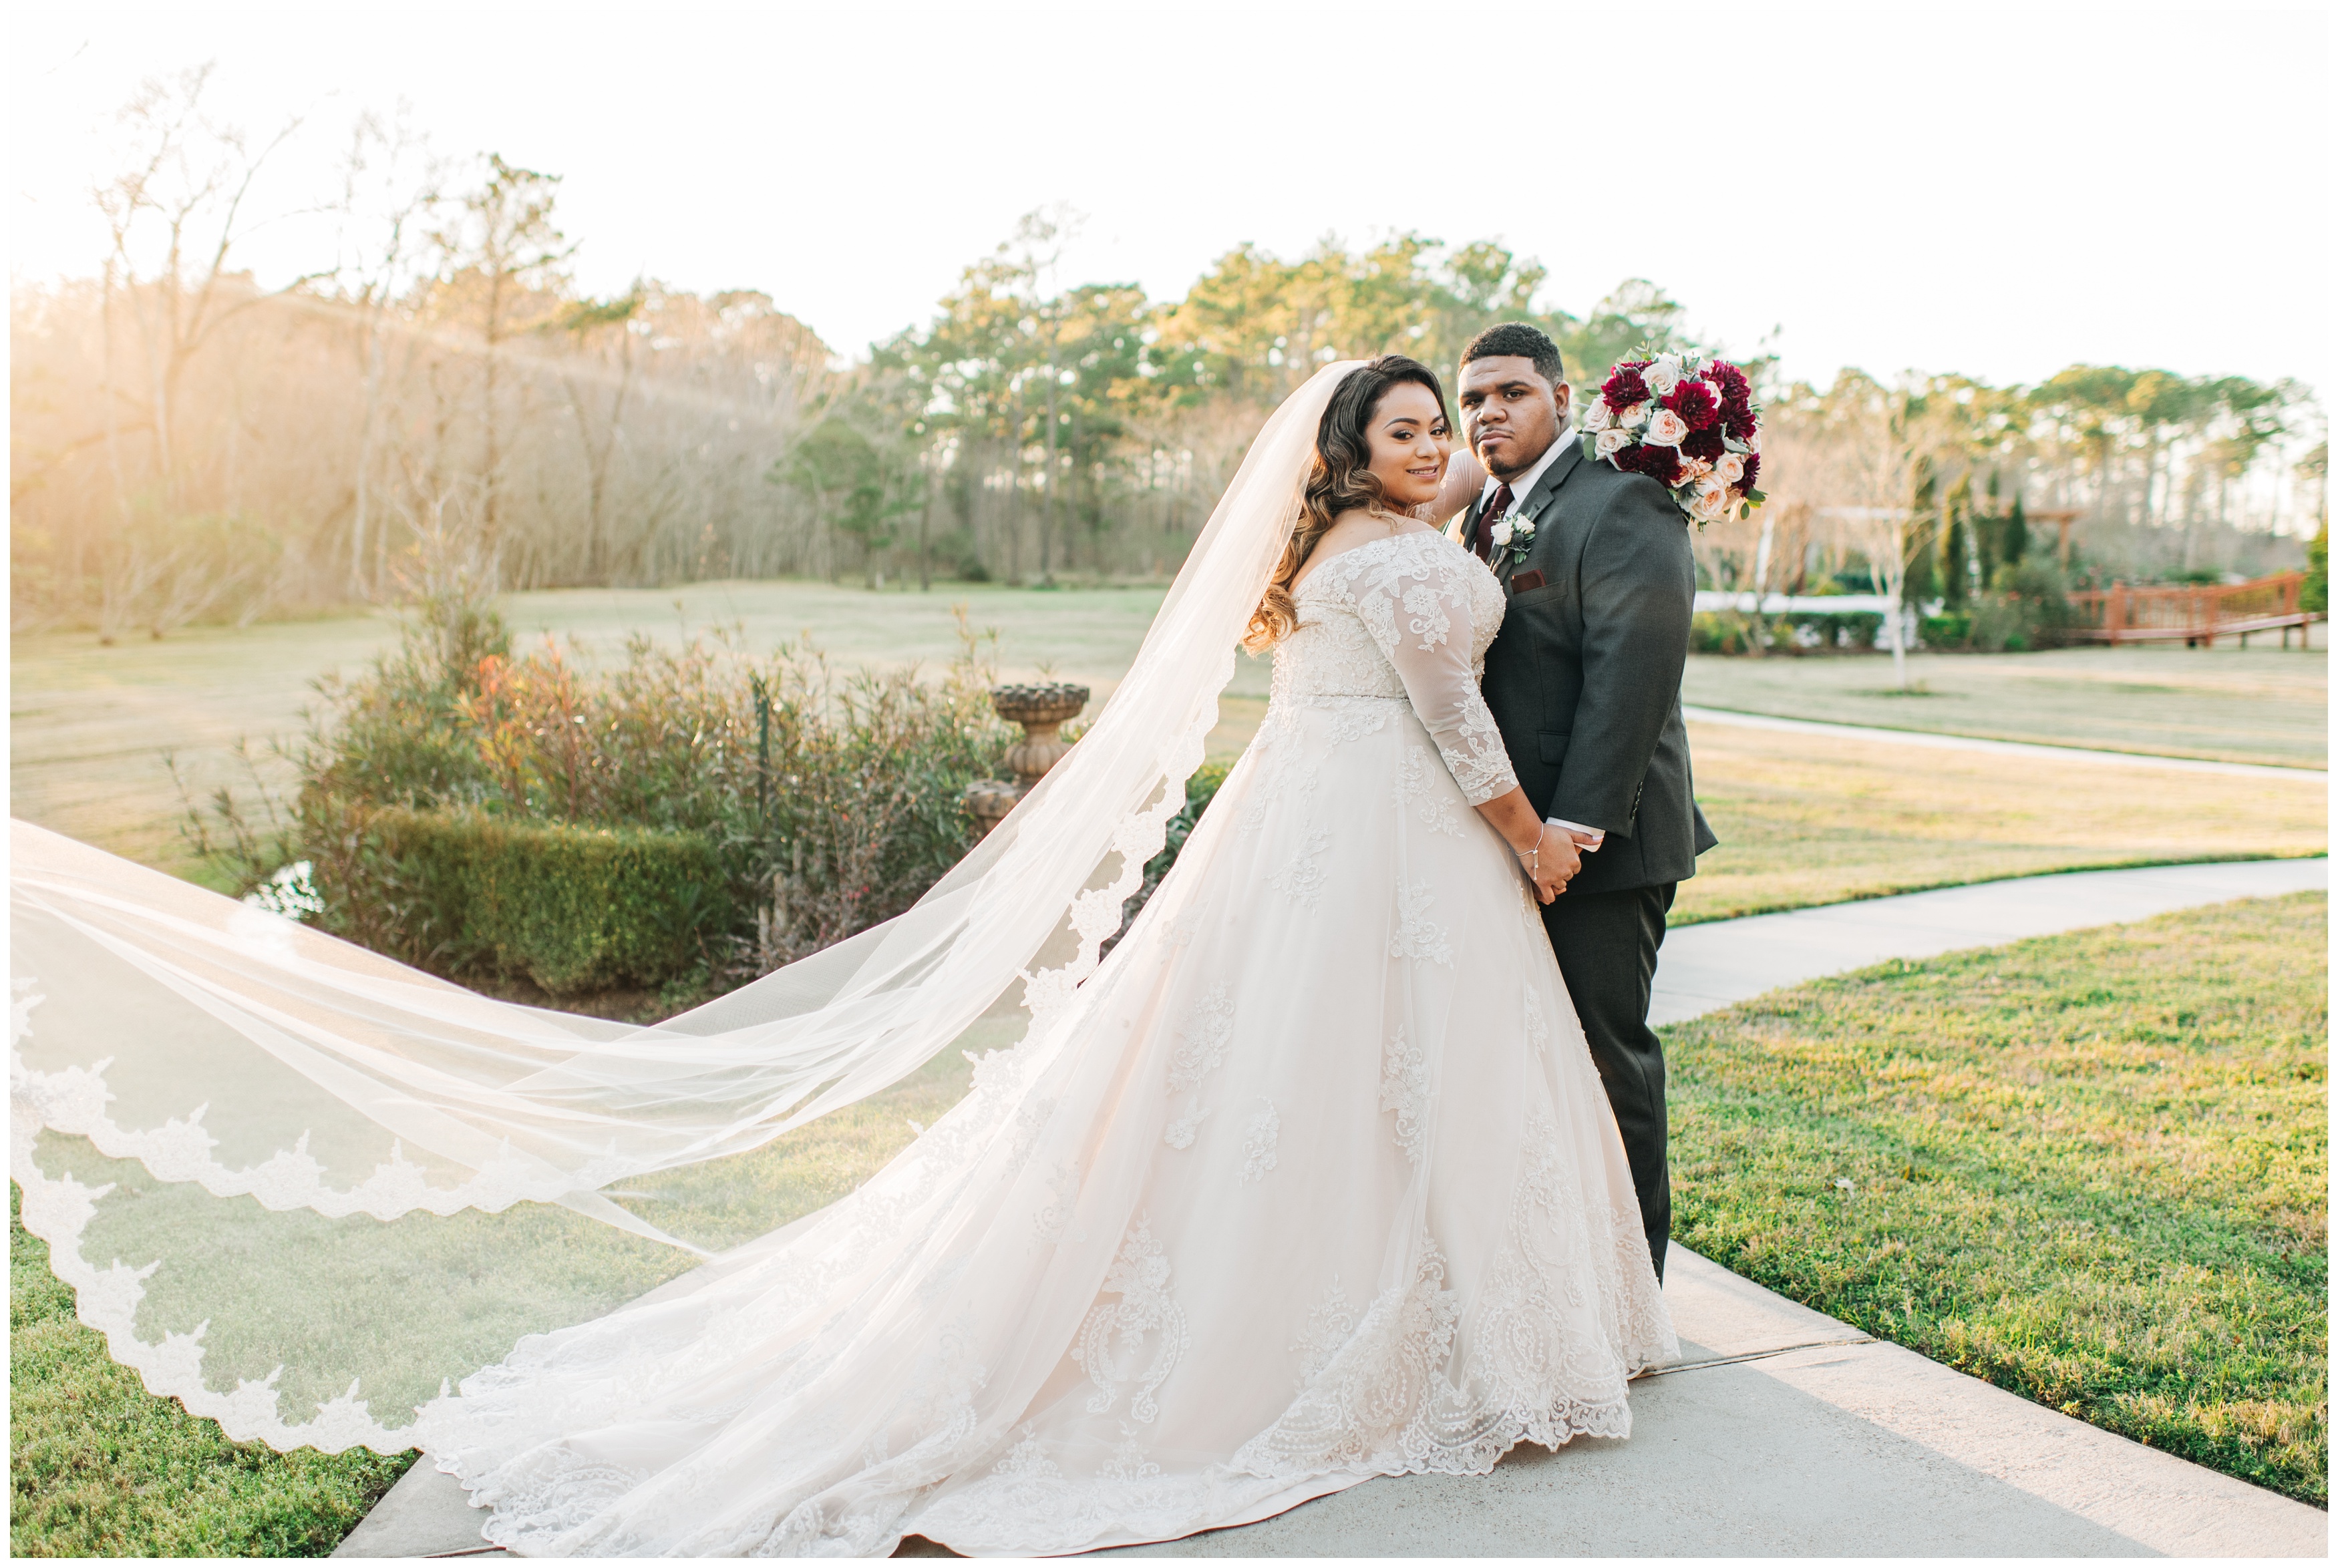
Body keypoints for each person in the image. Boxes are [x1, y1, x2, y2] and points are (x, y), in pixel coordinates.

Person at [9, 357, 1673, 1558]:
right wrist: (1528, 835)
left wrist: (1470, 489)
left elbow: (1435, 577)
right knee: (1371, 1080)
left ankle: (1412, 1315)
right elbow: (1455, 712)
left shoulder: (1331, 550)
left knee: (1285, 1079)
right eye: (1399, 427)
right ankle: (1409, 1331)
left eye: (1440, 426)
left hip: (1321, 832)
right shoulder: (1384, 559)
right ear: (1339, 451)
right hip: (1389, 832)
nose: (1433, 444)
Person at [1434, 323, 1719, 1280]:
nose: (1486, 415)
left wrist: (1571, 827)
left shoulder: (1623, 502)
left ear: (1563, 395)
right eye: (1472, 399)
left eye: (1509, 393)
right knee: (1524, 1061)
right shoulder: (1481, 512)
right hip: (1512, 836)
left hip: (1601, 839)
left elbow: (1632, 676)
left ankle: (1633, 1284)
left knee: (1606, 1061)